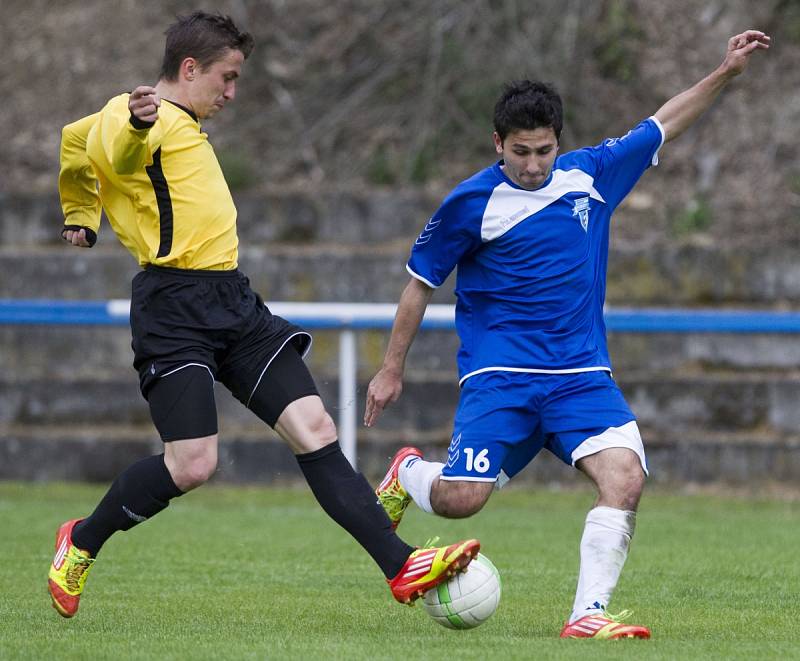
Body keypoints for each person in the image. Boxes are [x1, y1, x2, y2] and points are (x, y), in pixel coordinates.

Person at [48, 10, 479, 619]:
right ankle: (81, 541)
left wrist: (79, 214)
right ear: (190, 68)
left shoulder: (181, 122)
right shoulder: (136, 112)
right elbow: (115, 149)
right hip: (173, 309)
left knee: (318, 430)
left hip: (232, 301)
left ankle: (401, 566)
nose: (231, 92)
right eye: (227, 77)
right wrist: (132, 133)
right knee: (192, 465)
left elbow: (71, 138)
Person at [365, 30, 770, 639]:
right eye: (521, 152)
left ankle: (588, 615)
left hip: (580, 378)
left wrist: (726, 72)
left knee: (625, 477)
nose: (533, 165)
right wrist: (391, 369)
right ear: (497, 142)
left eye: (544, 151)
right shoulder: (469, 203)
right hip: (500, 378)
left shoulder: (591, 175)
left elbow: (663, 124)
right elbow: (419, 285)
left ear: (559, 141)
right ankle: (407, 474)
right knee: (459, 501)